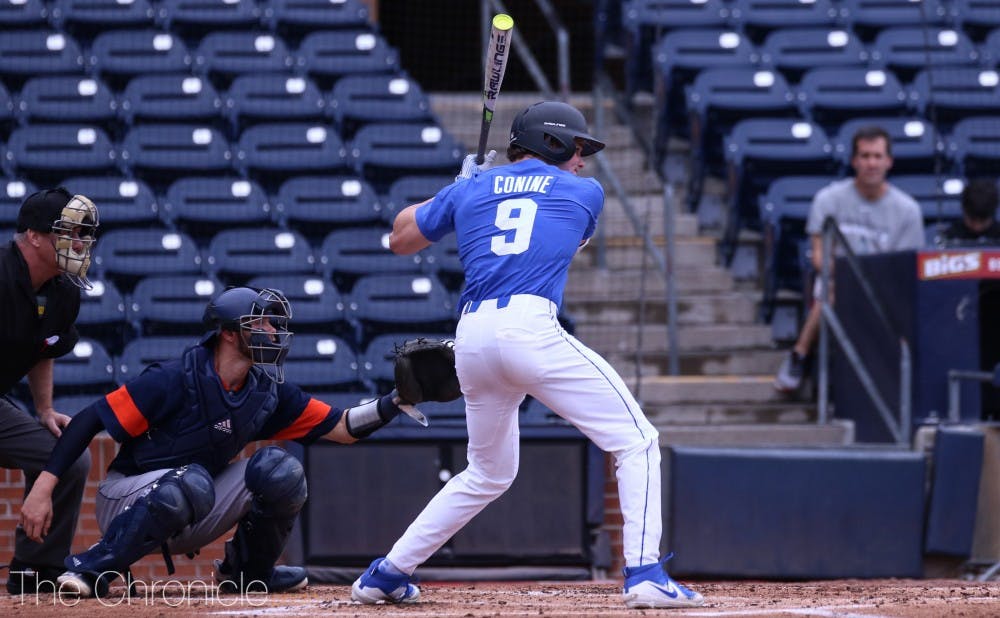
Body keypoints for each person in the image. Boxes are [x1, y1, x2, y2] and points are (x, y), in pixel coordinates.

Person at [350, 101, 704, 610]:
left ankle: (386, 574)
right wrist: (476, 191)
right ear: (554, 143)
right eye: (577, 149)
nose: (583, 162)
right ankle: (645, 573)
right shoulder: (586, 193)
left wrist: (455, 192)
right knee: (637, 440)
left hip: (470, 337)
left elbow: (399, 239)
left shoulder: (472, 189)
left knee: (488, 472)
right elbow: (558, 238)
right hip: (528, 328)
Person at [19, 286, 418, 598]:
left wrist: (397, 400)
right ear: (228, 333)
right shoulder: (173, 378)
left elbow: (343, 427)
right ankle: (90, 569)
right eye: (262, 324)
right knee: (189, 481)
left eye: (276, 324)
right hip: (128, 496)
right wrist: (43, 487)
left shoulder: (266, 391)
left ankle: (248, 574)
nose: (275, 332)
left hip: (198, 498)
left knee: (282, 470)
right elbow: (88, 420)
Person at [774, 126, 924, 393]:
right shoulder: (828, 199)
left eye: (877, 156)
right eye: (865, 156)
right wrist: (852, 274)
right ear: (854, 161)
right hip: (838, 278)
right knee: (832, 290)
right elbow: (819, 256)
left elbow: (904, 265)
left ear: (889, 161)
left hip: (885, 285)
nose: (871, 163)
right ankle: (801, 355)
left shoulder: (908, 210)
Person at [1, 188, 97, 595]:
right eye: (68, 232)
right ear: (34, 236)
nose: (79, 243)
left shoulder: (63, 291)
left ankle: (34, 570)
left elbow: (48, 345)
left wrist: (44, 408)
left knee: (69, 455)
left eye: (82, 234)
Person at [938, 177, 1000, 245]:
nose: (977, 227)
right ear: (963, 210)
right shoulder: (949, 238)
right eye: (972, 220)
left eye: (983, 221)